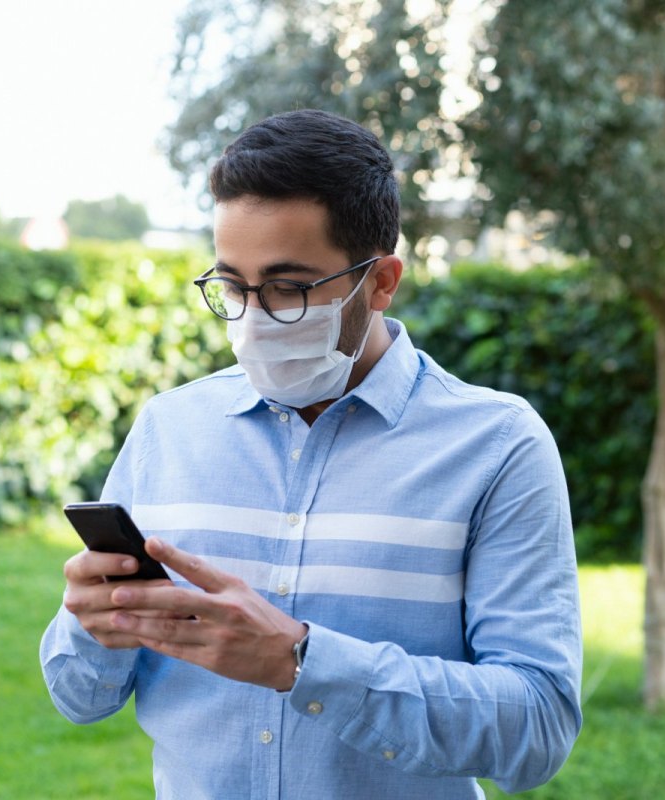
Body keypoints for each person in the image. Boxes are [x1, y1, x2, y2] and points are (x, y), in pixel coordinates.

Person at [40, 109, 582, 799]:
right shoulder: (168, 429)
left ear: (382, 281)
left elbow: (537, 729)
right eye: (232, 286)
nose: (253, 318)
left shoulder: (497, 447)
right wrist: (89, 622)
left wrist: (301, 660)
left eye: (289, 289)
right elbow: (78, 698)